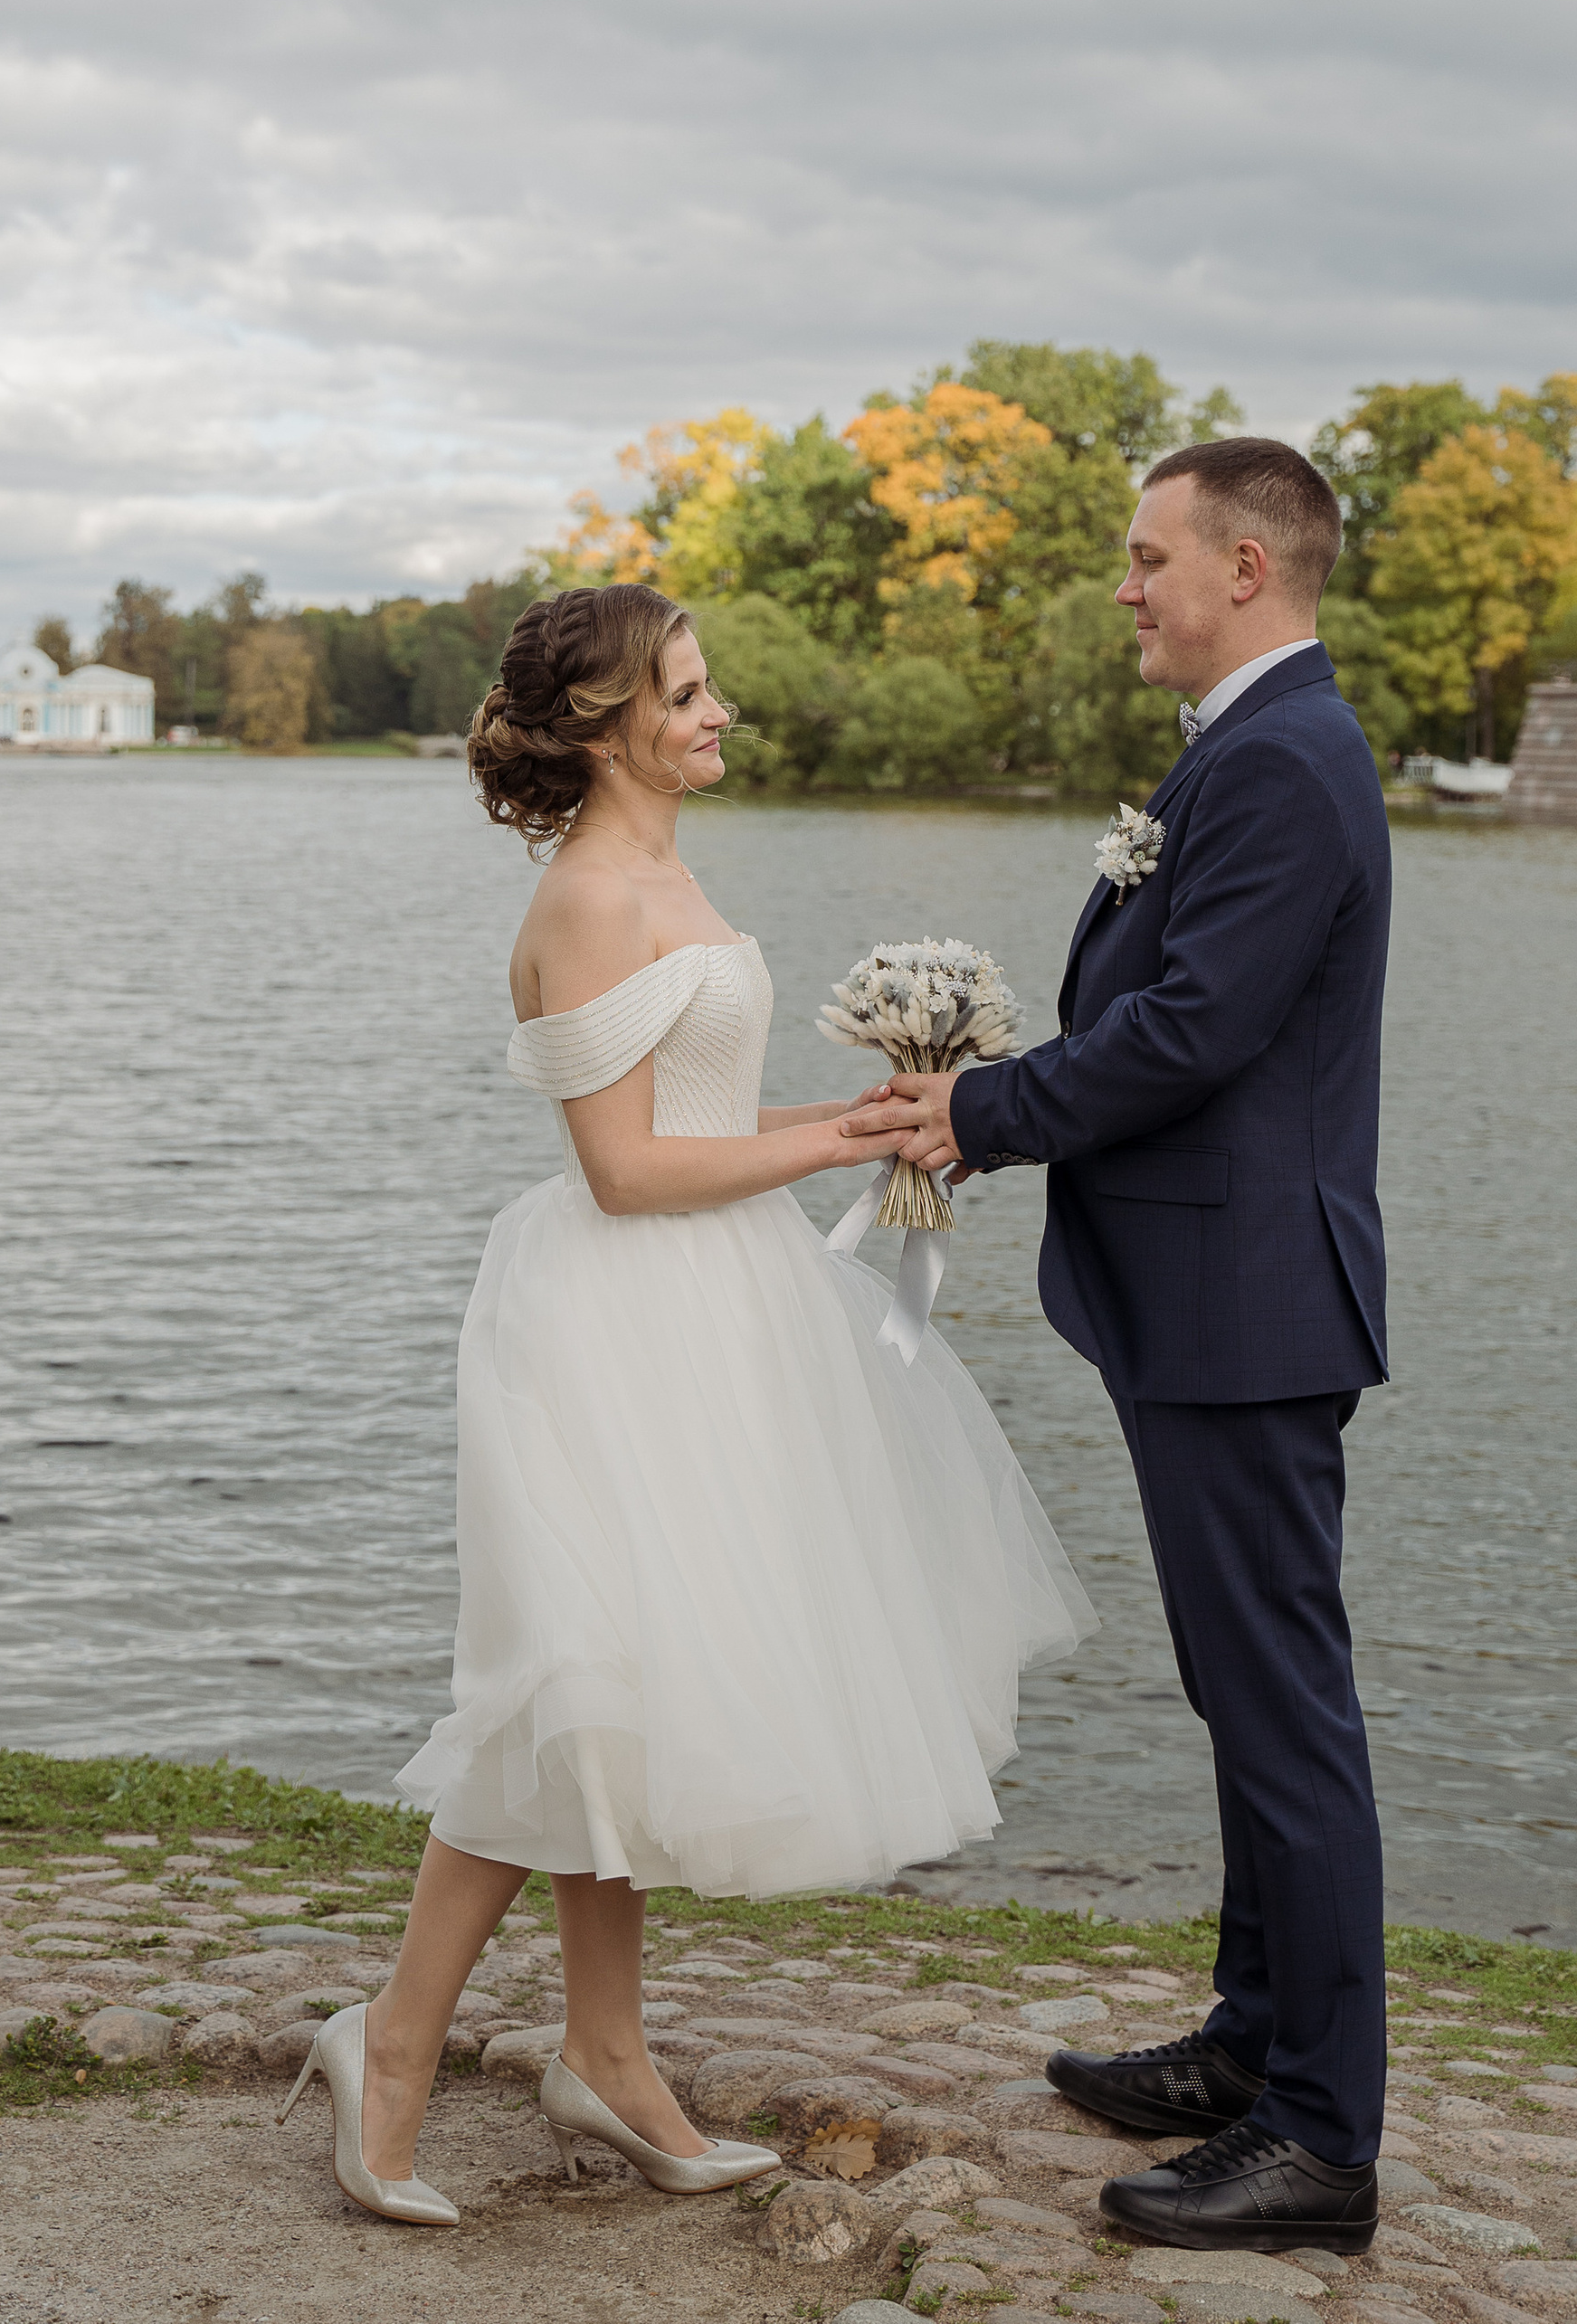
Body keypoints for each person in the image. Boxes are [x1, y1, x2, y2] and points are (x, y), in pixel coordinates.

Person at [283, 579, 1090, 2227]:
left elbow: (699, 1105)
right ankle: (392, 2049)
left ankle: (608, 2058)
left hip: (723, 1309)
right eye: (692, 692)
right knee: (563, 1685)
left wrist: (846, 1112)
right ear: (606, 726)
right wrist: (837, 1146)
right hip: (612, 1320)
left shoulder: (667, 864)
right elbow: (627, 1167)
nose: (722, 711)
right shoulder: (587, 898)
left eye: (713, 687)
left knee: (630, 1701)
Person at [857, 436, 1392, 2262]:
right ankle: (1252, 2045)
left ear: (1245, 566)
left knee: (1281, 1714)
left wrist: (972, 1111)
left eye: (1147, 555)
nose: (1124, 583)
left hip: (1246, 1305)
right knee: (1242, 1697)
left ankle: (1316, 2139)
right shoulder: (1246, 748)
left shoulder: (1286, 763)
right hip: (1212, 1293)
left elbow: (1186, 1032)